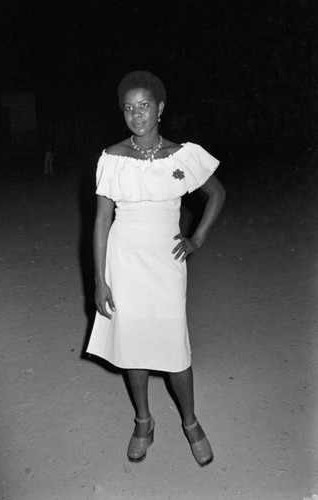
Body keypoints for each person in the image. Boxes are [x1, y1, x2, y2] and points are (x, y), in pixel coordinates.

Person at [86, 71, 226, 466]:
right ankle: (144, 422)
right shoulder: (112, 157)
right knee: (133, 346)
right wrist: (100, 280)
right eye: (129, 108)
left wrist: (196, 238)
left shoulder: (181, 156)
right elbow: (101, 220)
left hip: (165, 263)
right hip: (123, 259)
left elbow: (217, 193)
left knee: (173, 343)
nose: (136, 114)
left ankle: (190, 422)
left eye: (144, 105)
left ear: (160, 108)